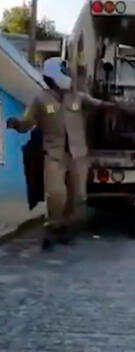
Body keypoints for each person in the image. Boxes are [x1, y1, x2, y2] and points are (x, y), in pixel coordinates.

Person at [6, 57, 116, 250]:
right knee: (56, 194)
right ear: (51, 77)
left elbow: (97, 104)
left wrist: (115, 106)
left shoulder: (77, 97)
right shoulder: (40, 100)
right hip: (55, 155)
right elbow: (27, 123)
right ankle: (53, 228)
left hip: (78, 155)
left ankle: (67, 228)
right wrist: (16, 123)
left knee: (78, 196)